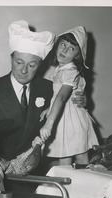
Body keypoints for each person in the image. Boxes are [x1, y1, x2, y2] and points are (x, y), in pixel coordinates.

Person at [0, 20, 87, 166]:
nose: (24, 70)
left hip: (36, 172)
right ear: (11, 59)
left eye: (31, 65)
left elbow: (64, 99)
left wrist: (81, 100)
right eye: (19, 62)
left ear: (39, 66)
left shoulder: (48, 88)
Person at [40, 26, 99, 165]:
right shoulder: (60, 69)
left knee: (80, 156)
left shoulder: (70, 71)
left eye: (72, 48)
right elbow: (57, 96)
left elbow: (61, 97)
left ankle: (84, 185)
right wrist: (49, 108)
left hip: (73, 121)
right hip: (63, 120)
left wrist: (48, 124)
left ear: (77, 55)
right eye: (63, 44)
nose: (65, 50)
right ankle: (67, 185)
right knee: (64, 157)